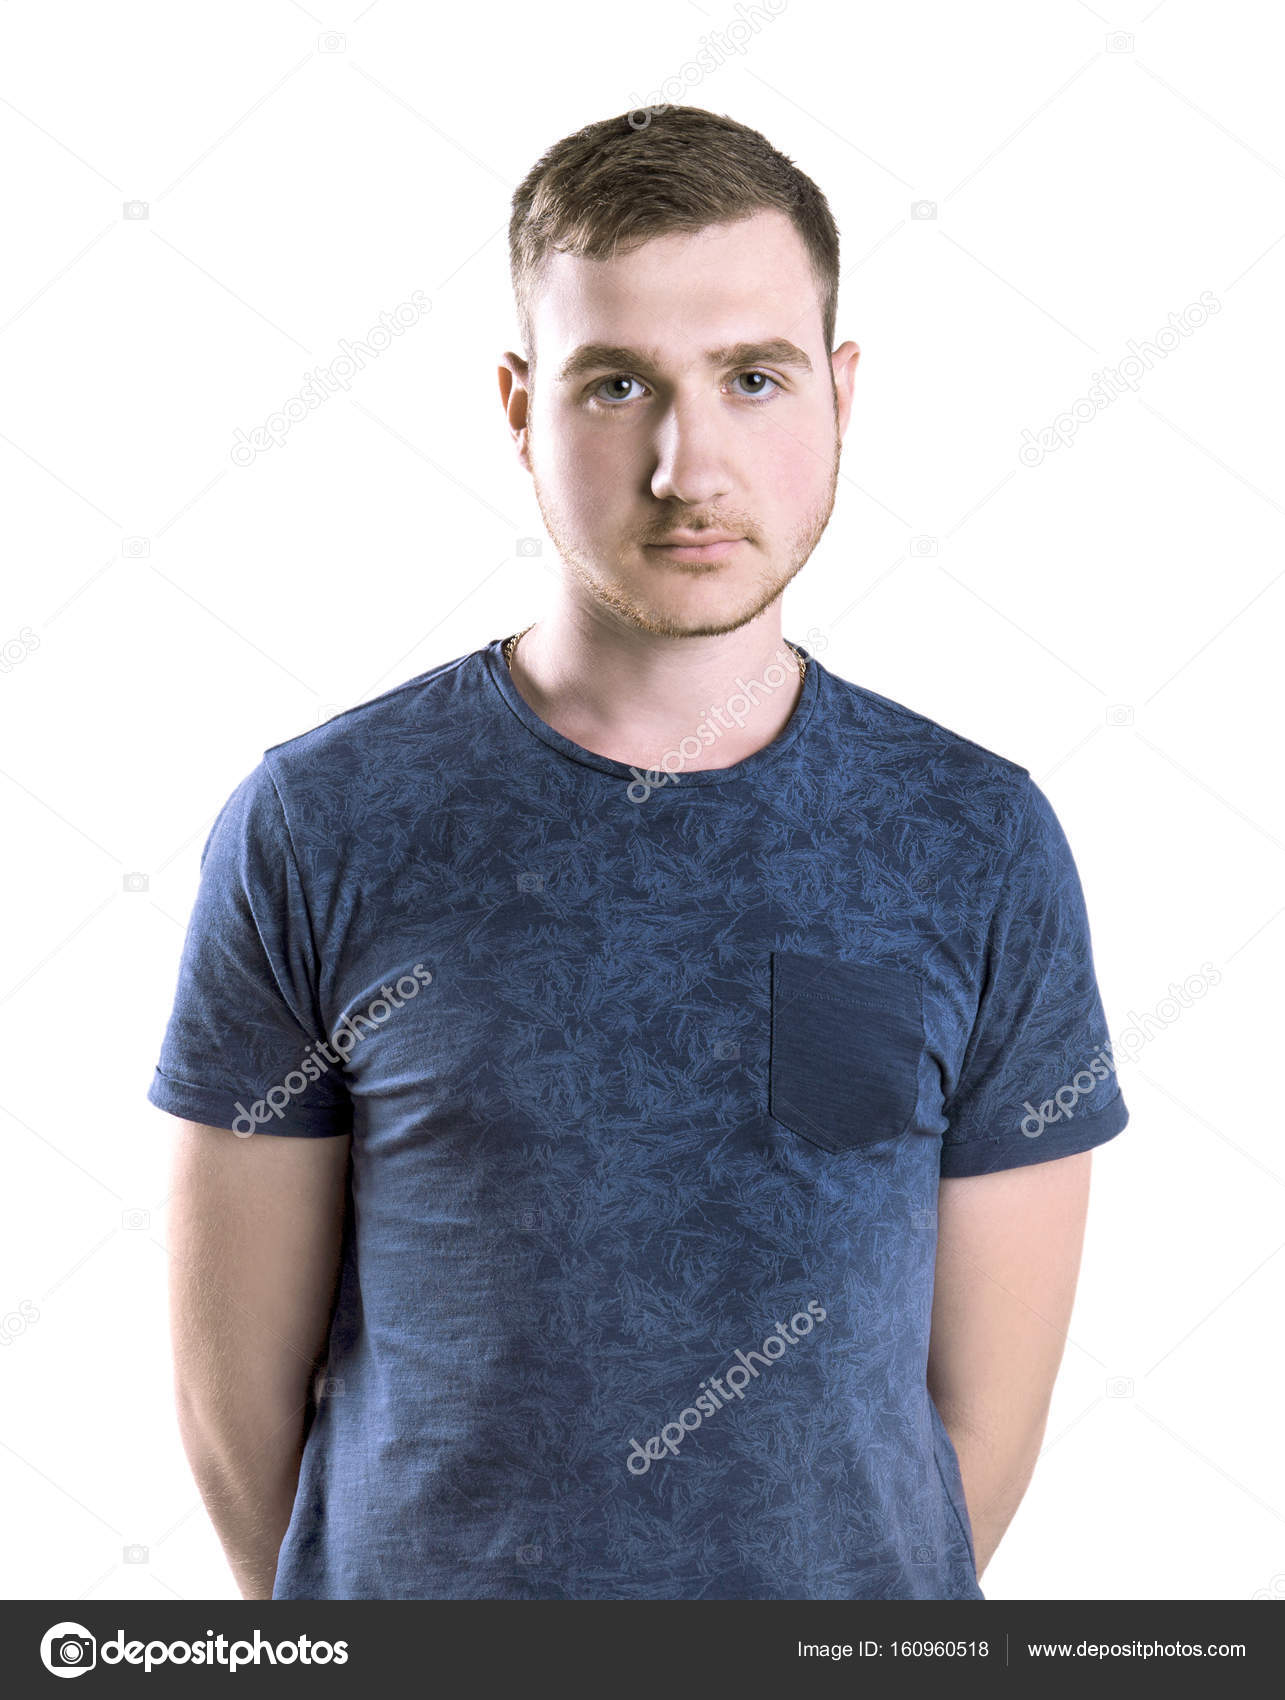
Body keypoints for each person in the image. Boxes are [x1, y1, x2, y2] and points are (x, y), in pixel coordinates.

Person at [149, 106, 1128, 1601]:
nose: (688, 464)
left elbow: (974, 1435)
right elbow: (238, 1432)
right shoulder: (323, 822)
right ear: (517, 404)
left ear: (840, 396)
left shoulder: (973, 839)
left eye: (752, 377)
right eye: (618, 385)